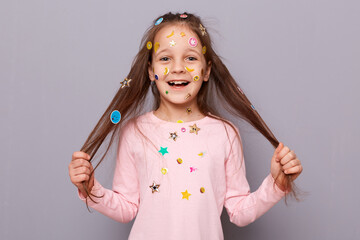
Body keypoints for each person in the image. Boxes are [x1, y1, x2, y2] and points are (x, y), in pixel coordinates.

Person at [68, 12, 303, 240]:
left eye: (190, 58)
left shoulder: (225, 133)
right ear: (151, 70)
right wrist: (91, 187)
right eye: (165, 58)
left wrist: (276, 184)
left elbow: (239, 211)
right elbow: (126, 208)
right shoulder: (134, 131)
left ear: (207, 70)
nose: (178, 68)